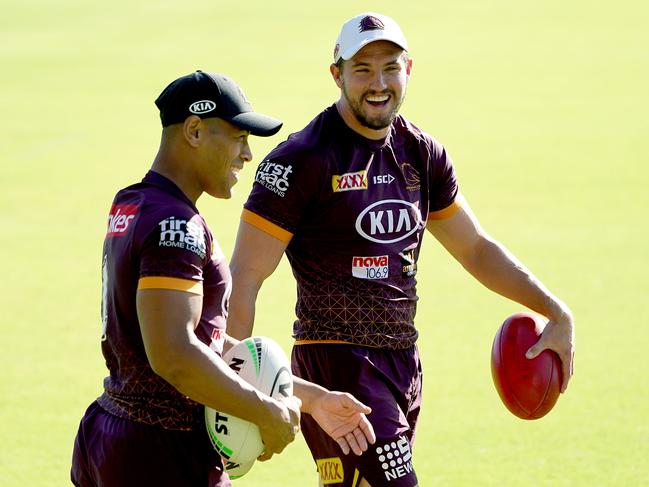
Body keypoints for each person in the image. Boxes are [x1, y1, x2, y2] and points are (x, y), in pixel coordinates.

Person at [226, 11, 575, 487]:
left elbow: (474, 248)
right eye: (363, 69)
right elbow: (244, 278)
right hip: (337, 365)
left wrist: (554, 310)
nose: (379, 83)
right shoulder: (301, 159)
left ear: (409, 69)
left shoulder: (422, 154)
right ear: (337, 75)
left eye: (390, 67)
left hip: (403, 363)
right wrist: (229, 393)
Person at [71, 70, 376, 487]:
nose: (247, 154)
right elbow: (174, 353)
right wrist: (265, 414)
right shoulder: (175, 225)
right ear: (194, 130)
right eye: (237, 137)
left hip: (115, 434)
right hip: (160, 454)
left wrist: (310, 398)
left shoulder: (133, 203)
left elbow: (200, 339)